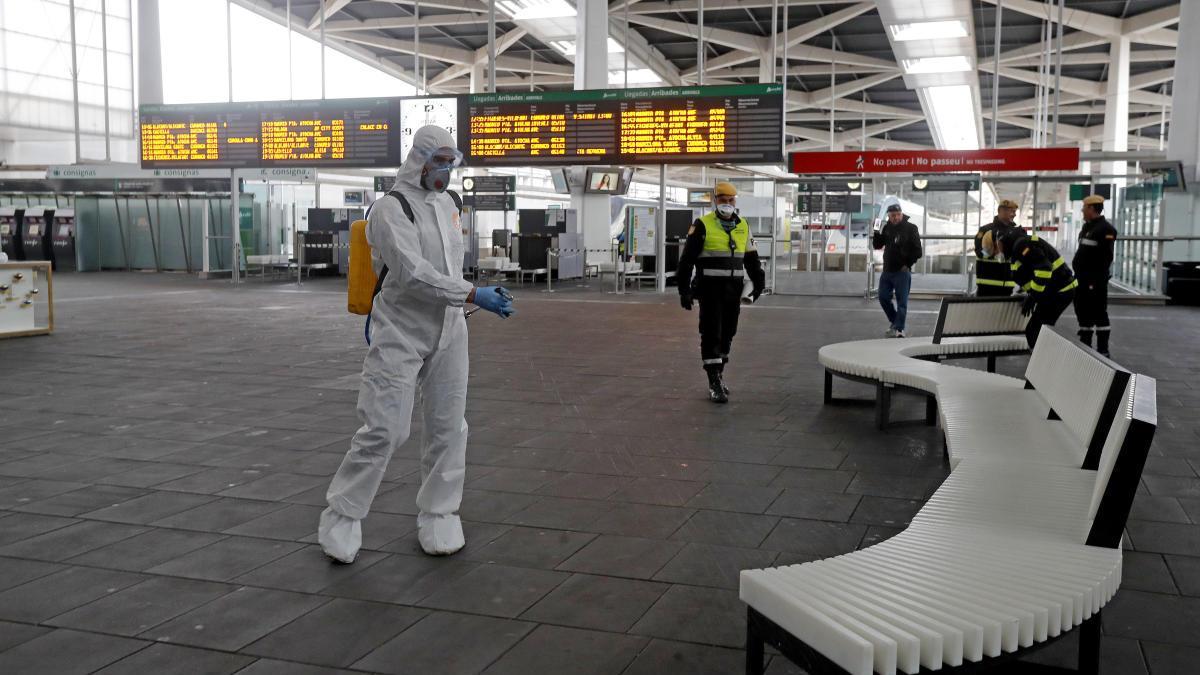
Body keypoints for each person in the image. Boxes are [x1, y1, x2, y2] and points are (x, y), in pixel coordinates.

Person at [318, 126, 515, 564]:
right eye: (438, 160)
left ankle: (440, 512)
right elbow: (411, 271)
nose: (444, 169)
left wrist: (468, 296)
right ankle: (343, 515)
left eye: (450, 161)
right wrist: (470, 293)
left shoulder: (448, 206)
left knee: (449, 426)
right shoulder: (390, 209)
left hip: (450, 327)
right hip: (401, 330)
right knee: (385, 427)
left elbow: (445, 263)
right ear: (418, 158)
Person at [676, 181, 766, 404]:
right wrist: (684, 290)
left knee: (728, 332)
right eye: (723, 200)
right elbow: (687, 261)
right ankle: (713, 380)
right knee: (711, 332)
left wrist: (759, 282)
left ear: (735, 201)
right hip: (709, 290)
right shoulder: (702, 225)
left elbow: (752, 259)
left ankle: (719, 373)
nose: (727, 204)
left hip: (733, 291)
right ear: (716, 201)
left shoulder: (743, 225)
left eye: (731, 200)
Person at [992, 227, 1078, 348]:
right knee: (1038, 330)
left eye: (997, 246)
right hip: (1058, 291)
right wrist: (1029, 293)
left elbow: (1044, 269)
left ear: (1003, 241)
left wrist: (1033, 296)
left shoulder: (1021, 246)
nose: (997, 250)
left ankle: (1044, 362)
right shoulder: (1018, 249)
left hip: (1060, 291)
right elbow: (1030, 273)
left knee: (1035, 331)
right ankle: (1044, 361)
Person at [1072, 195, 1118, 356]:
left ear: (1091, 208)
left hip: (1094, 281)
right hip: (1082, 279)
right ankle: (1085, 346)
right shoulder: (1088, 228)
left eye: (1084, 208)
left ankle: (1103, 350)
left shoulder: (1105, 230)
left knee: (1098, 312)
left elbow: (1106, 258)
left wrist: (1094, 280)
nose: (1082, 211)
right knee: (1082, 310)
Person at [872, 203, 922, 337]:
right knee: (883, 298)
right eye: (893, 215)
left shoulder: (911, 228)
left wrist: (908, 264)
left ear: (901, 214)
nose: (895, 218)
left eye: (898, 215)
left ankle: (899, 329)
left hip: (902, 271)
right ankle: (895, 322)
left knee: (902, 302)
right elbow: (877, 245)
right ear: (888, 216)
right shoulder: (887, 227)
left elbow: (918, 250)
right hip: (887, 270)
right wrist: (876, 231)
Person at [974, 199, 1022, 296]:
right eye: (1012, 211)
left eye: (1015, 212)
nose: (1014, 214)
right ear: (1001, 211)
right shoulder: (985, 230)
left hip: (1008, 286)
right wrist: (990, 252)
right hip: (986, 285)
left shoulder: (1016, 232)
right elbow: (979, 253)